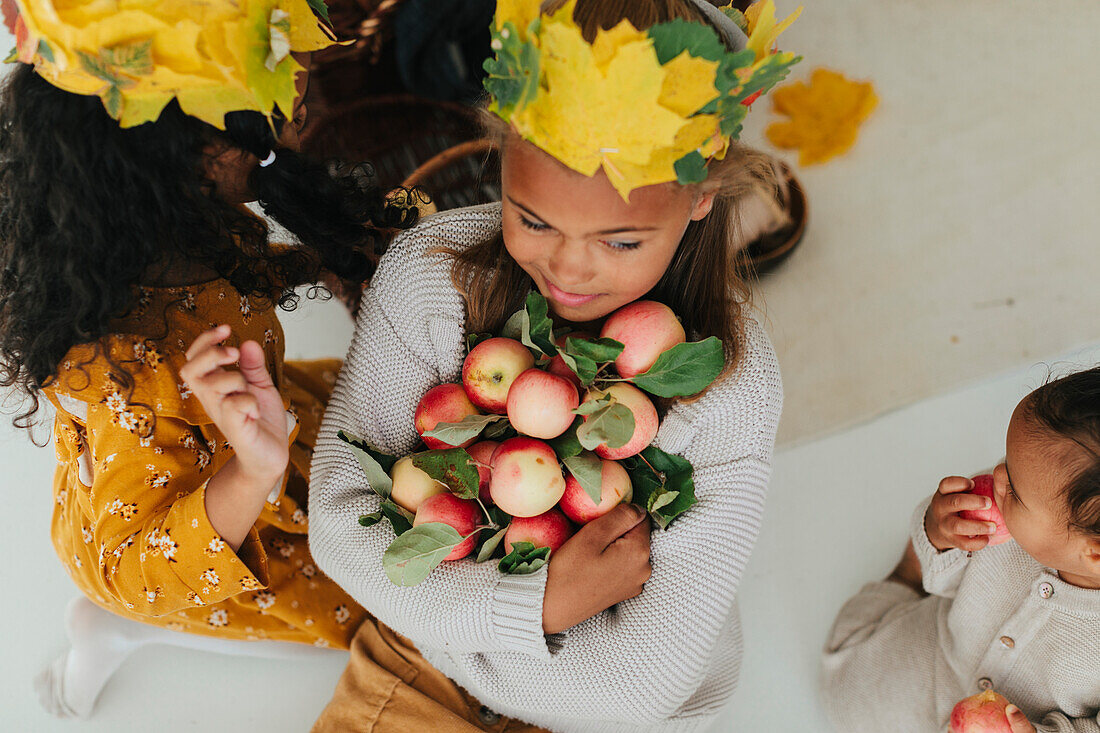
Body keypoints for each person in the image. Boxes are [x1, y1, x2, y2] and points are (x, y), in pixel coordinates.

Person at [307, 1, 799, 730]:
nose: (567, 268)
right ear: (500, 153)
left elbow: (636, 689)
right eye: (532, 218)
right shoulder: (429, 279)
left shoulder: (732, 392)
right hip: (425, 666)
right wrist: (533, 607)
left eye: (621, 241)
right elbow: (338, 527)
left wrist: (452, 610)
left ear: (701, 196)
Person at [0, 0, 415, 719]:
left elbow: (238, 280)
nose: (283, 121)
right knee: (364, 610)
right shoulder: (128, 369)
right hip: (200, 525)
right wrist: (253, 470)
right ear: (189, 152)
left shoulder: (162, 224)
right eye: (257, 121)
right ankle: (113, 632)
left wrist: (325, 261)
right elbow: (143, 561)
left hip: (246, 438)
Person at [821, 366, 1100, 733]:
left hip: (1018, 722)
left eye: (1014, 489)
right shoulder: (1002, 521)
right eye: (1006, 463)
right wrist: (940, 533)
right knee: (845, 683)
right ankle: (906, 576)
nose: (996, 476)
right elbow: (946, 576)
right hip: (938, 658)